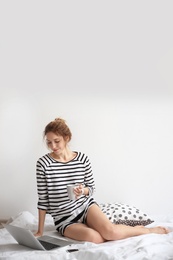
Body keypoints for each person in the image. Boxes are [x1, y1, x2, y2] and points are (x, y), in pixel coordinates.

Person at [35, 118, 168, 243]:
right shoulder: (43, 164)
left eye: (56, 141)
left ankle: (146, 230)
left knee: (111, 233)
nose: (53, 146)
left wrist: (83, 191)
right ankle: (130, 230)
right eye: (49, 142)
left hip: (85, 207)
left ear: (66, 138)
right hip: (64, 218)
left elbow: (91, 189)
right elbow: (43, 200)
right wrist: (40, 231)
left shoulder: (82, 159)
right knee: (96, 238)